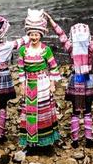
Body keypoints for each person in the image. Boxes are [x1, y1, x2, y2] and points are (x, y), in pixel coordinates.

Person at [45, 7, 93, 147]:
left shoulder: (71, 48)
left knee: (75, 111)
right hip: (87, 79)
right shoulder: (90, 48)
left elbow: (60, 34)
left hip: (76, 79)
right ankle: (88, 139)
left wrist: (51, 21)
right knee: (87, 110)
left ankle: (75, 140)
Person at [17, 10, 61, 152]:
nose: (34, 37)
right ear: (28, 34)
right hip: (30, 83)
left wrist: (52, 84)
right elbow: (21, 69)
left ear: (41, 35)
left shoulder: (46, 50)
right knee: (30, 113)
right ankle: (31, 143)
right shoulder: (23, 50)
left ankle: (46, 143)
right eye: (31, 34)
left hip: (43, 83)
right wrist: (22, 85)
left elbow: (53, 67)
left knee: (44, 111)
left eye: (36, 34)